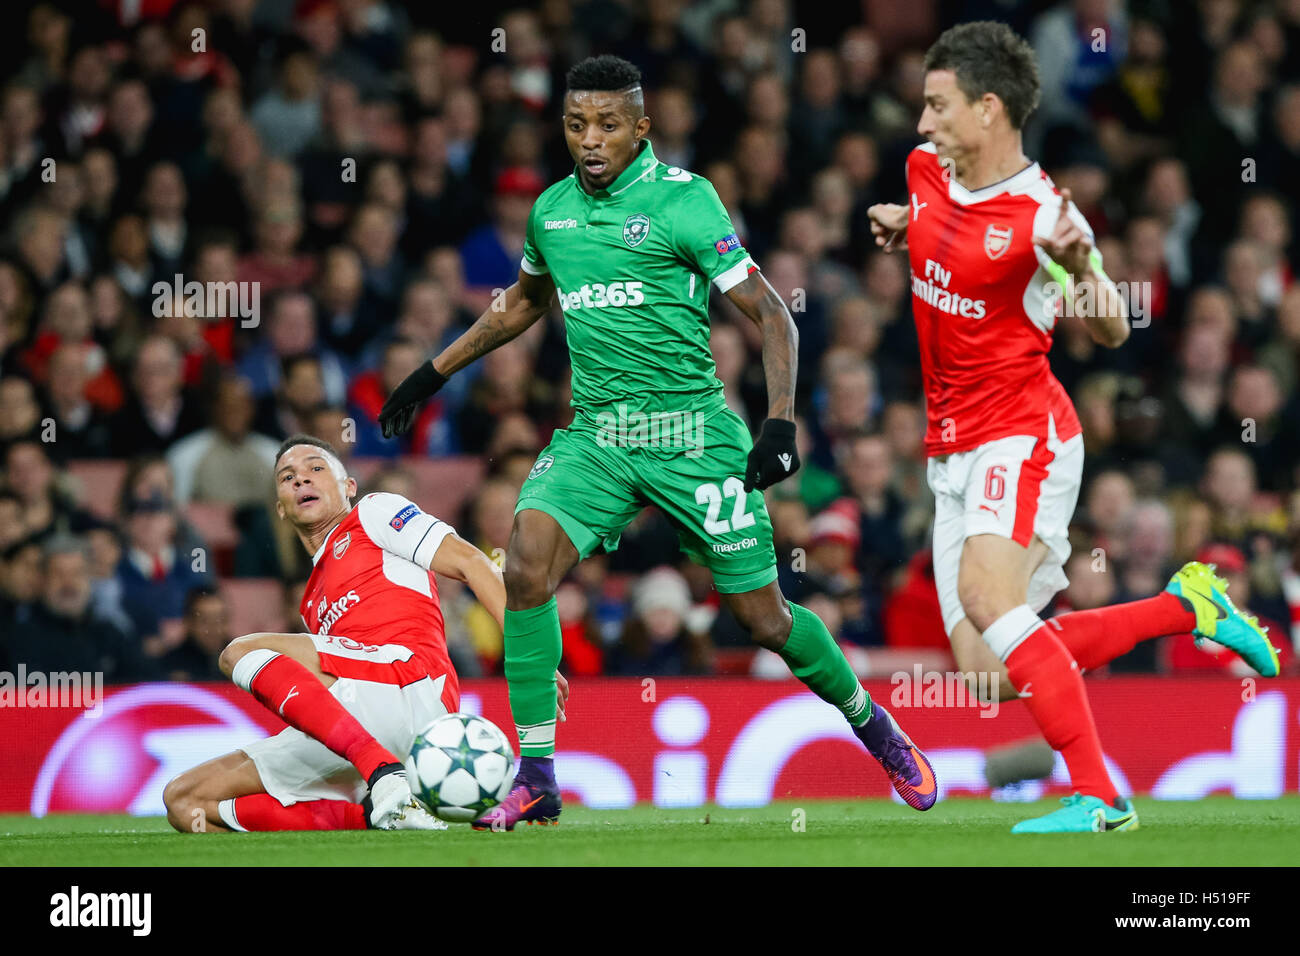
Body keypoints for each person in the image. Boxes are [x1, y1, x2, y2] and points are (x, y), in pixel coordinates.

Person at [381, 55, 938, 830]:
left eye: (608, 123)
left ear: (642, 127)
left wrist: (780, 421)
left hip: (692, 434)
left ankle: (873, 724)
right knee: (529, 560)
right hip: (600, 434)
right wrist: (431, 373)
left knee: (763, 620)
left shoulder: (686, 201)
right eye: (577, 124)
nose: (591, 139)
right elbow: (522, 305)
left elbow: (772, 312)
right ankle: (537, 775)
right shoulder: (552, 213)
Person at [866, 21, 1279, 833]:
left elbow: (1113, 330)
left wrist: (1083, 267)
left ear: (988, 109)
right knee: (987, 671)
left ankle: (1100, 795)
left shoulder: (1046, 215)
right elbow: (950, 234)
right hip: (950, 446)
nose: (922, 124)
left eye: (937, 106)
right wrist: (903, 226)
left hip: (1021, 431)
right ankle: (1187, 609)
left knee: (989, 598)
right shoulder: (923, 172)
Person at [161, 435, 569, 833]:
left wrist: (529, 654)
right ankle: (381, 813)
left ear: (349, 486)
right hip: (361, 709)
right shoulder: (311, 601)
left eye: (315, 468)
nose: (300, 479)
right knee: (185, 802)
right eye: (287, 477)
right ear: (281, 509)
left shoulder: (374, 512)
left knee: (239, 650)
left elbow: (472, 563)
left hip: (412, 685)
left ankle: (382, 771)